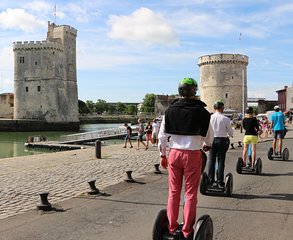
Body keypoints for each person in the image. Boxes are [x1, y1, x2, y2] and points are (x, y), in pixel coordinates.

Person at [158, 77, 214, 240]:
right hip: (192, 154)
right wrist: (207, 146)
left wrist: (162, 155)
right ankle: (187, 230)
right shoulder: (202, 112)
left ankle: (172, 226)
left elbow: (162, 137)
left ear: (179, 91)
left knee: (173, 191)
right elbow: (209, 137)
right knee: (190, 194)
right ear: (194, 91)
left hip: (174, 153)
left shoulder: (169, 111)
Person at [208, 100, 233, 188]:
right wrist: (229, 134)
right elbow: (231, 133)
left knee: (211, 160)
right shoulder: (225, 119)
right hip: (222, 140)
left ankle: (210, 180)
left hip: (212, 140)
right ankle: (220, 181)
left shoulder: (210, 118)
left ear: (214, 108)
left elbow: (206, 131)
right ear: (222, 108)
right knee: (221, 160)